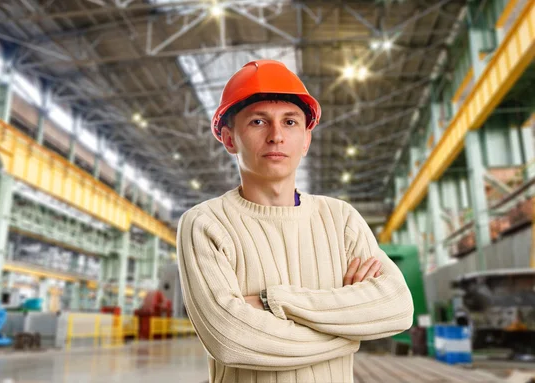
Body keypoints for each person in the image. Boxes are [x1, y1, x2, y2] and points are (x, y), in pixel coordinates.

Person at [177, 60, 414, 383]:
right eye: (259, 122)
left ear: (306, 140)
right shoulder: (205, 224)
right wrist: (349, 333)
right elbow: (230, 339)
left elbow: (396, 307)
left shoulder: (340, 219)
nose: (276, 136)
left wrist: (272, 300)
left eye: (290, 122)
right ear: (229, 139)